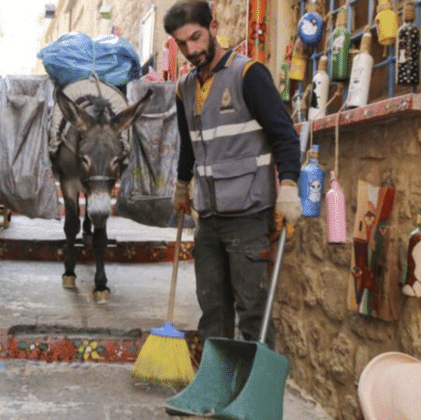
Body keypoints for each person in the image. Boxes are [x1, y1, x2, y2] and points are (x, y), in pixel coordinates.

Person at [163, 0, 302, 349]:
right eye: (182, 44)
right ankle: (218, 386)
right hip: (207, 216)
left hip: (248, 215)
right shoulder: (185, 89)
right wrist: (182, 186)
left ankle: (254, 397)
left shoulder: (248, 75)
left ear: (215, 26)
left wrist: (288, 187)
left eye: (196, 37)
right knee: (212, 308)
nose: (191, 49)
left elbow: (284, 135)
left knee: (253, 309)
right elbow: (189, 145)